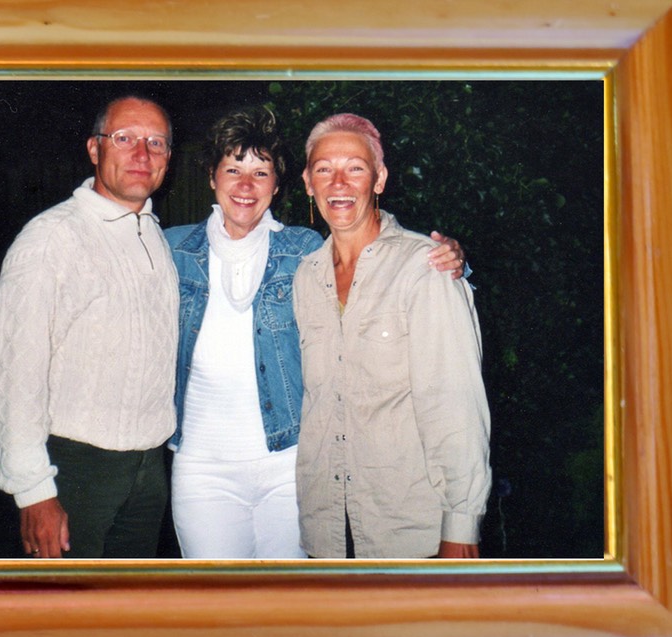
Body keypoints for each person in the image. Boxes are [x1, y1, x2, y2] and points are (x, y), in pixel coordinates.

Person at [164, 107, 467, 558]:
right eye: (232, 169)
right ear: (211, 177)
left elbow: (384, 259)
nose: (246, 185)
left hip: (291, 466)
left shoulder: (303, 253)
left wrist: (455, 265)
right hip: (202, 469)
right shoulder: (168, 248)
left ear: (279, 185)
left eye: (260, 172)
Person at [0, 96, 179, 558]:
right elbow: (12, 372)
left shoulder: (151, 233)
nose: (142, 155)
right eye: (125, 139)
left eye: (156, 143)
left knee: (128, 612)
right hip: (76, 469)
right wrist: (33, 491)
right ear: (94, 149)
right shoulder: (53, 238)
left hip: (149, 468)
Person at [293, 113, 492, 559]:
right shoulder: (306, 276)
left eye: (356, 168)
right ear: (308, 182)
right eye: (324, 169)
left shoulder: (427, 268)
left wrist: (461, 524)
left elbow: (455, 406)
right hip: (324, 528)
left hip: (406, 528)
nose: (338, 182)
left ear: (379, 179)